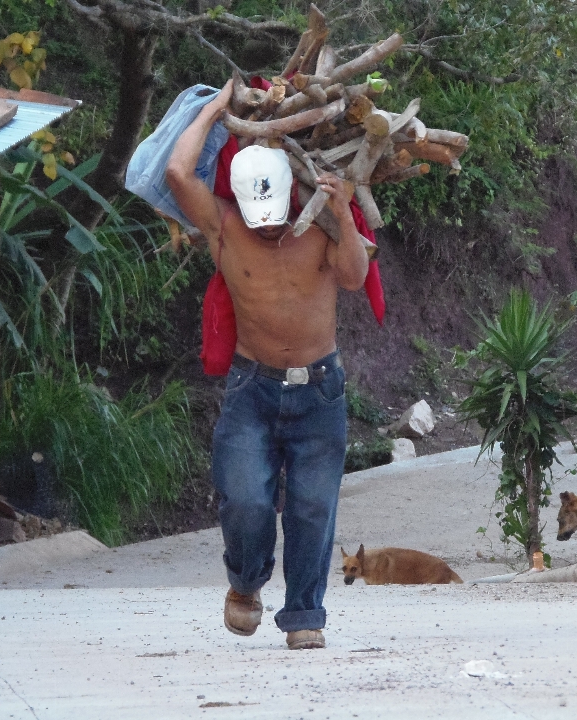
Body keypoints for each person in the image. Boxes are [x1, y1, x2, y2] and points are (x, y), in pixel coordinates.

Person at [165, 80, 370, 651]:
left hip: (319, 389)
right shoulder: (225, 227)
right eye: (257, 216)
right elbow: (179, 174)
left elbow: (353, 277)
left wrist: (344, 216)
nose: (267, 227)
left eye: (274, 215)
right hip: (252, 388)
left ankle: (305, 613)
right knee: (244, 500)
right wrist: (210, 111)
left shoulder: (322, 222)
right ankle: (245, 583)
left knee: (312, 507)